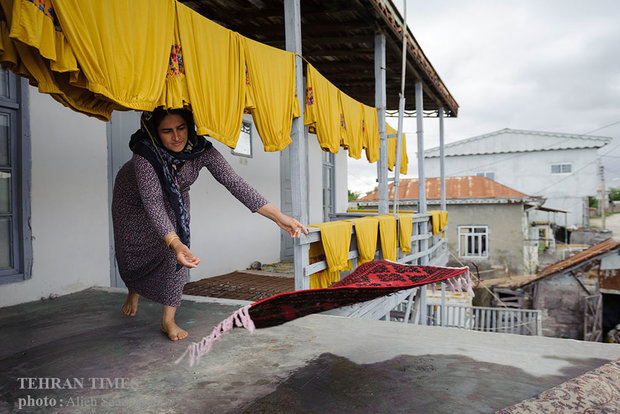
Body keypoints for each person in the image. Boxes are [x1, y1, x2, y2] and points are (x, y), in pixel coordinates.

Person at [111, 107, 307, 341]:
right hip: (132, 197)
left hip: (176, 198)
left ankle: (168, 320)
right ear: (155, 132)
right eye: (167, 131)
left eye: (181, 128)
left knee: (178, 251)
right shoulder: (145, 154)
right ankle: (134, 290)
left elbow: (236, 183)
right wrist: (173, 241)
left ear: (190, 126)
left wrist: (279, 217)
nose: (177, 137)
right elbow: (153, 203)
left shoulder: (201, 150)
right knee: (134, 249)